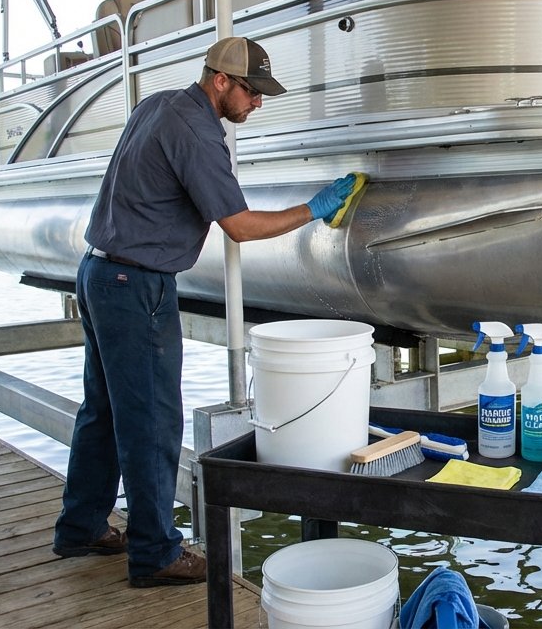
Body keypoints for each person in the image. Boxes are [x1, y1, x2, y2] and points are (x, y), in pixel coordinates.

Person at [51, 36, 362, 588]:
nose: (258, 104)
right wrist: (314, 209)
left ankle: (81, 526)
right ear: (221, 80)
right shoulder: (198, 133)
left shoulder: (157, 104)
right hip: (137, 283)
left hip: (98, 272)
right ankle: (154, 553)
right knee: (151, 422)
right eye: (252, 91)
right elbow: (240, 227)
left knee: (101, 411)